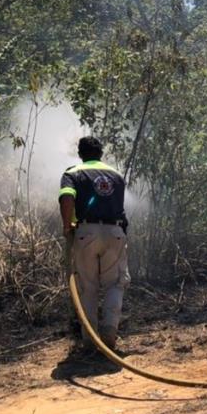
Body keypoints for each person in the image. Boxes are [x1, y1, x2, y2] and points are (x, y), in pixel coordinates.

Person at [58, 136, 129, 350]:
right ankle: (109, 330)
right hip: (115, 231)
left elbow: (67, 197)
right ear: (101, 154)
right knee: (115, 283)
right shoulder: (116, 175)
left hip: (85, 232)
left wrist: (66, 225)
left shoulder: (72, 173)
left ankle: (90, 340)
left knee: (86, 286)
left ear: (80, 154)